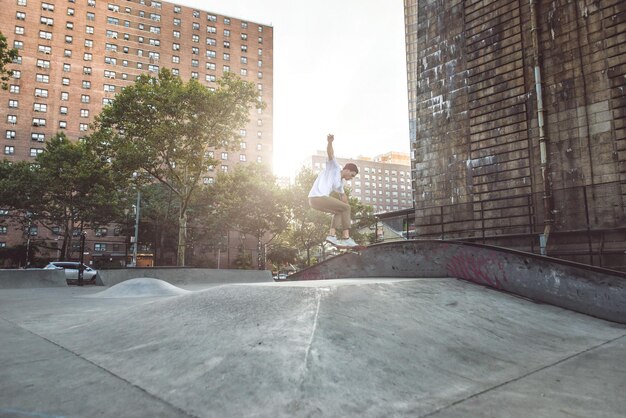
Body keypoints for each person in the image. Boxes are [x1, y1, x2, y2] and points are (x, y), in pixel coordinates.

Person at [308, 134, 359, 247]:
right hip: (317, 197)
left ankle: (331, 236)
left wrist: (348, 213)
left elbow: (343, 198)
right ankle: (346, 237)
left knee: (340, 210)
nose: (351, 178)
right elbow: (330, 154)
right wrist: (330, 142)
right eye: (352, 175)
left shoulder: (340, 183)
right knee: (345, 208)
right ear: (347, 170)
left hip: (315, 202)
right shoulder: (334, 167)